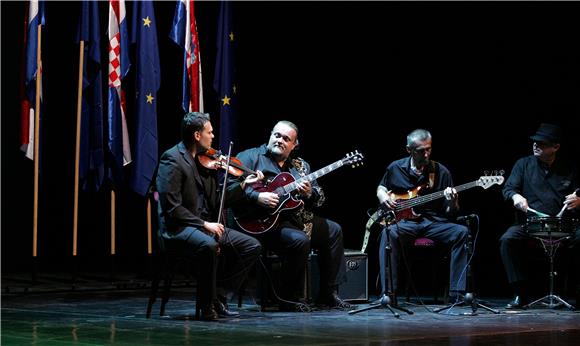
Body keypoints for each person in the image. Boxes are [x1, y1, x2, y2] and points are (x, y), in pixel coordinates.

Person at [229, 120, 353, 311]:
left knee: (334, 230)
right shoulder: (250, 157)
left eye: (286, 139)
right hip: (258, 221)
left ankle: (328, 294)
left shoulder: (300, 167)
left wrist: (309, 193)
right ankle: (288, 297)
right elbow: (228, 188)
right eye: (277, 135)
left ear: (294, 145)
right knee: (299, 240)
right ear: (270, 135)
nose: (280, 140)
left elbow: (319, 200)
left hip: (294, 218)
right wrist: (256, 196)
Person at [156, 112, 262, 321]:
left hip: (203, 226)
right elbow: (172, 208)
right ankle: (206, 307)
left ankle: (219, 296)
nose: (213, 136)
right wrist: (205, 224)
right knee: (209, 246)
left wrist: (243, 185)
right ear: (197, 135)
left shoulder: (206, 162)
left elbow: (216, 200)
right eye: (209, 132)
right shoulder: (172, 159)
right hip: (178, 229)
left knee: (252, 246)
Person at [376, 129, 469, 303]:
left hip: (434, 223)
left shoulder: (441, 171)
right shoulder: (396, 167)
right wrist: (382, 195)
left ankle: (458, 293)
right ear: (409, 150)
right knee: (388, 234)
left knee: (461, 232)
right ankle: (388, 295)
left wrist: (451, 201)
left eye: (429, 149)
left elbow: (451, 213)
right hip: (406, 224)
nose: (426, 154)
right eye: (421, 151)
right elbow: (382, 187)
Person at [500, 123, 580, 309]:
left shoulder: (570, 167)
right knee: (508, 239)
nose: (536, 145)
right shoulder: (523, 164)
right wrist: (516, 196)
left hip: (563, 224)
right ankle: (520, 294)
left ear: (556, 147)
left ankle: (576, 293)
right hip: (532, 224)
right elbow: (509, 188)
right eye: (535, 142)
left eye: (542, 143)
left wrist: (579, 200)